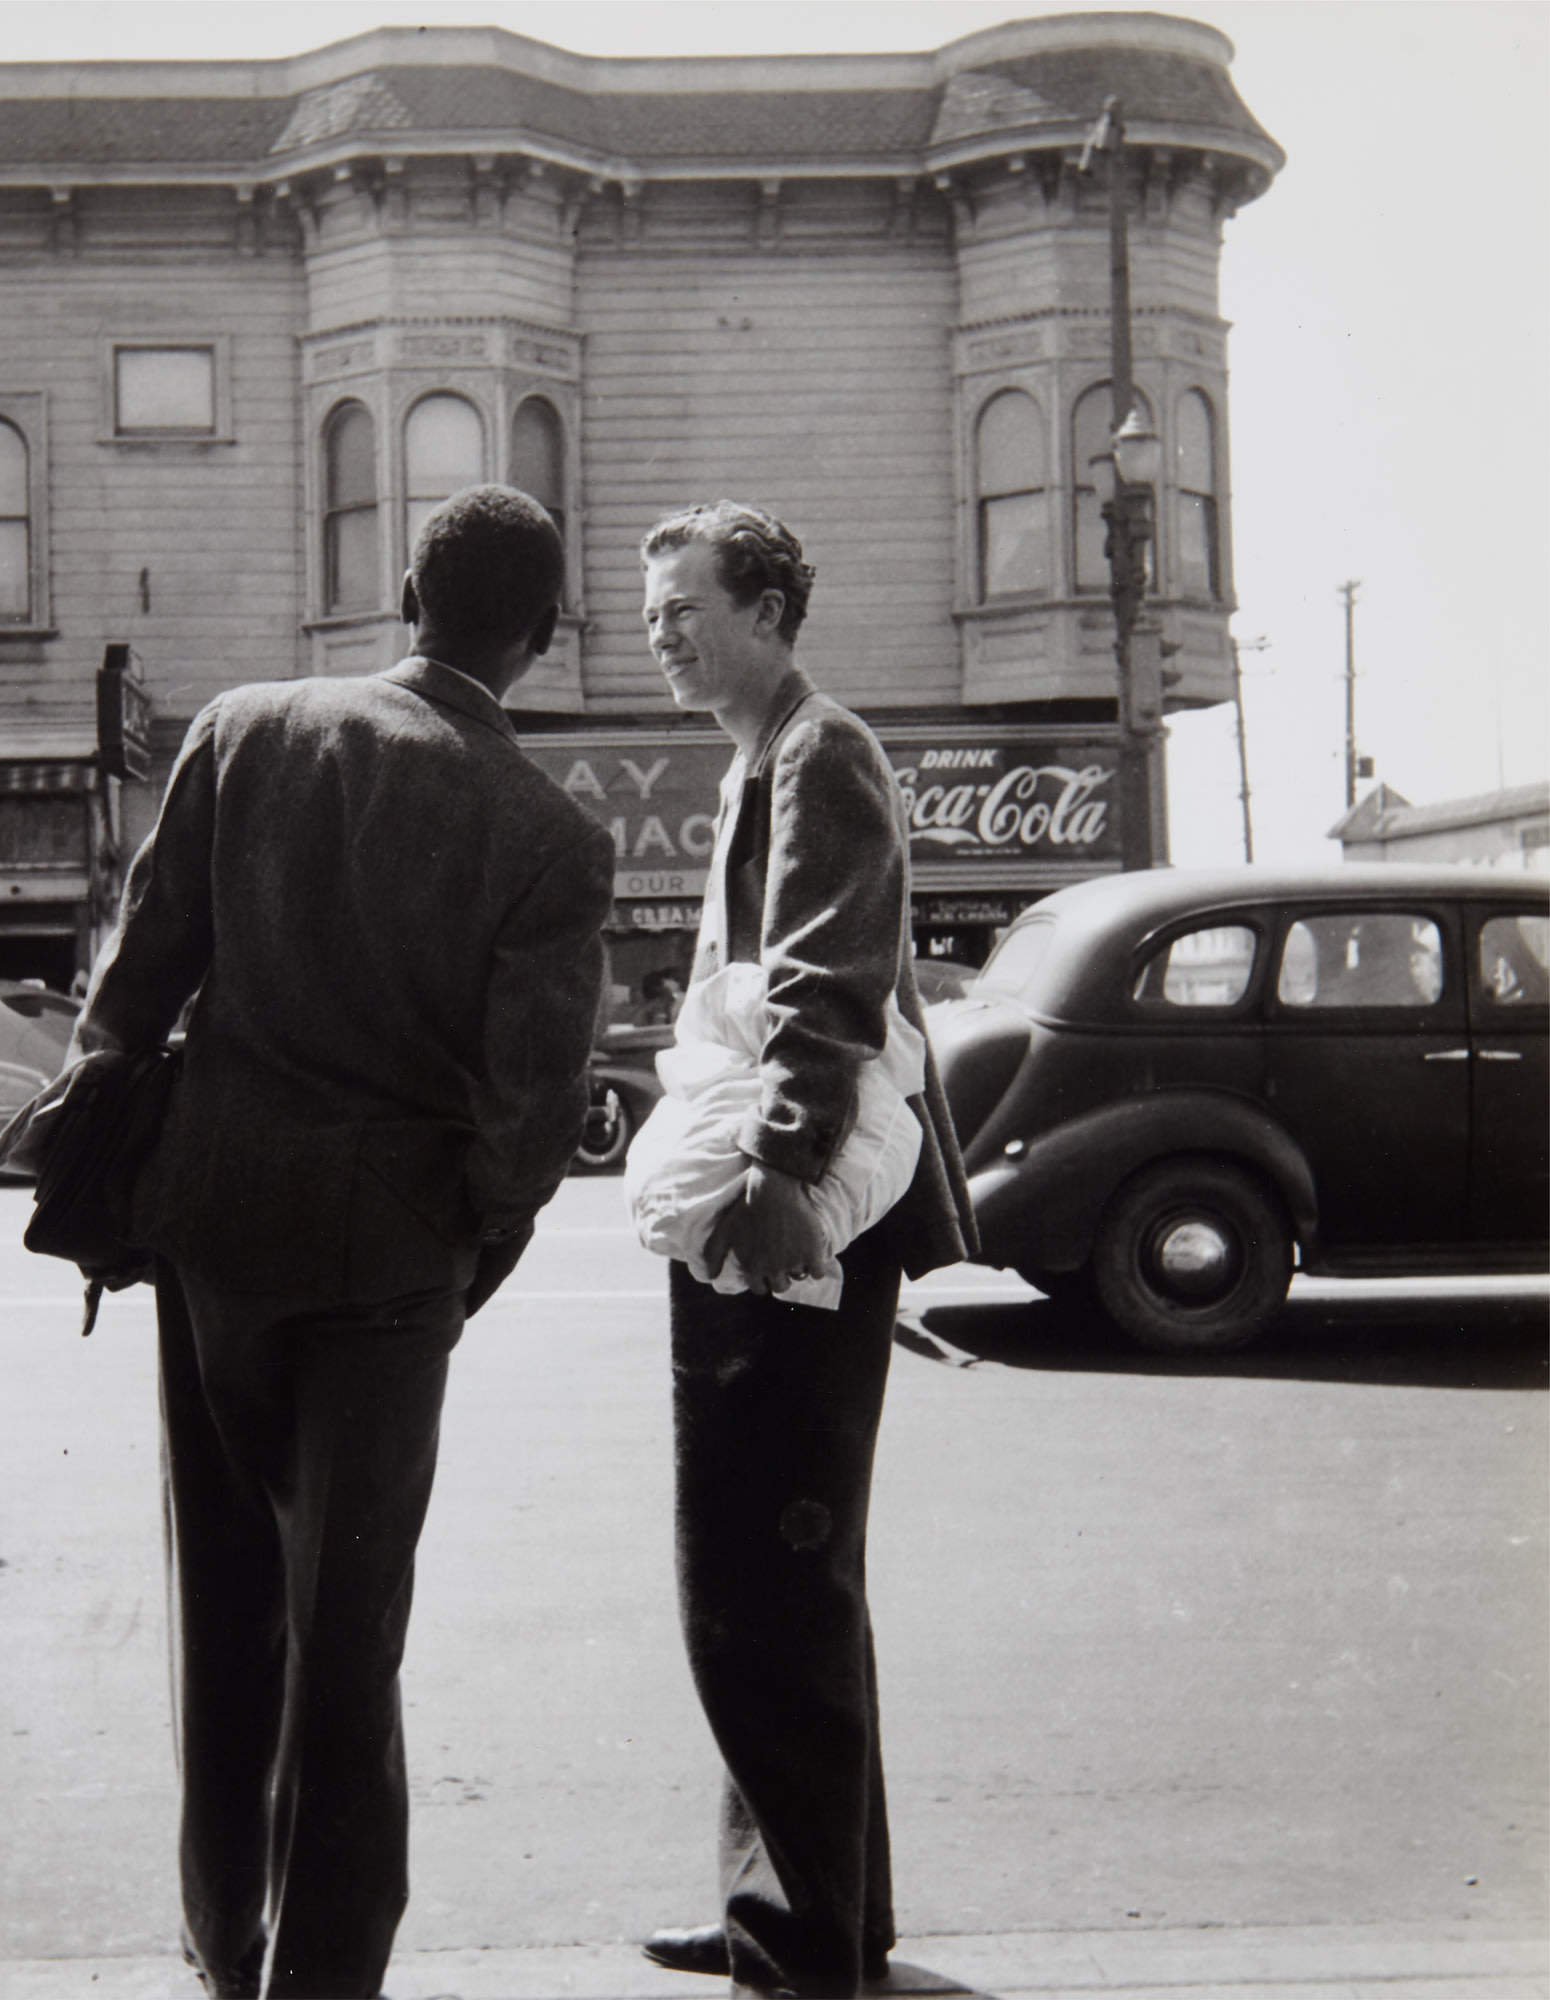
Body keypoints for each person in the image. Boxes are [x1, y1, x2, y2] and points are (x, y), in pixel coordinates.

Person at [70, 485, 615, 2000]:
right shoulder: (550, 837)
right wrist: (462, 1263)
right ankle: (323, 1981)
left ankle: (218, 1947)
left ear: (402, 592)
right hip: (385, 1270)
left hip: (214, 1229)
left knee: (223, 1608)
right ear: (541, 635)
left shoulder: (244, 731)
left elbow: (139, 971)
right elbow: (531, 1112)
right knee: (349, 1645)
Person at [633, 501, 976, 1998]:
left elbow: (826, 988)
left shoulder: (817, 750)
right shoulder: (763, 754)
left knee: (751, 1582)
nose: (662, 635)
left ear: (768, 608)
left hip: (778, 1215)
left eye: (684, 609)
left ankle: (797, 1943)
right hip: (802, 1221)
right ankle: (808, 1909)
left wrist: (781, 1188)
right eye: (651, 615)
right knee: (794, 1581)